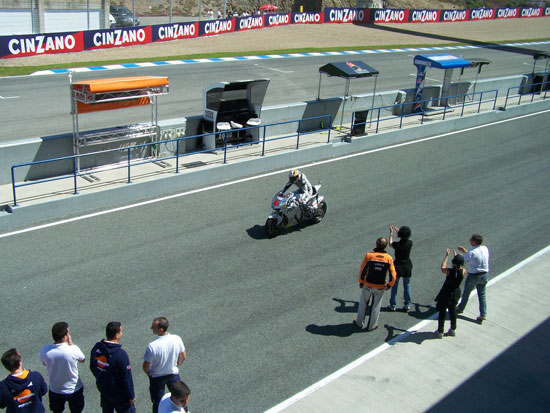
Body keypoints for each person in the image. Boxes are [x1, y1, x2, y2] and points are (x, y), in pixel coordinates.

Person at [39, 322, 86, 413]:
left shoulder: (45, 350)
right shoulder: (73, 349)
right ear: (65, 337)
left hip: (55, 389)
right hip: (74, 389)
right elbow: (82, 360)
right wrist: (71, 344)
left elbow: (44, 363)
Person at [90, 322, 136, 413]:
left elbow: (93, 366)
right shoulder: (121, 354)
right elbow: (126, 377)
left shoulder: (97, 347)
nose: (122, 333)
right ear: (116, 335)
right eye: (121, 331)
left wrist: (101, 379)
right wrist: (131, 395)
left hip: (105, 391)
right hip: (120, 396)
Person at [143, 317, 186, 413]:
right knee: (180, 398)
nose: (151, 328)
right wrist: (176, 365)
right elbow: (183, 356)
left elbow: (145, 366)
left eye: (153, 327)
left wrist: (149, 373)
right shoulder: (177, 339)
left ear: (161, 330)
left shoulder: (152, 346)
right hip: (173, 374)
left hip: (157, 378)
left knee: (158, 403)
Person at [354, 237, 397, 331]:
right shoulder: (388, 258)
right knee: (376, 306)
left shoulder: (369, 256)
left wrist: (361, 282)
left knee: (363, 304)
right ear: (385, 246)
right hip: (380, 286)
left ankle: (359, 323)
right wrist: (390, 284)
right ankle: (372, 326)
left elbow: (362, 269)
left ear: (376, 244)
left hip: (368, 284)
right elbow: (393, 275)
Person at [0, 348, 47, 412]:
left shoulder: (3, 386)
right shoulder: (36, 376)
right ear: (20, 363)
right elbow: (44, 391)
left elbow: (2, 404)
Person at [456, 233, 490, 322]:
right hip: (484, 275)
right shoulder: (485, 248)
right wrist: (465, 251)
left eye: (471, 240)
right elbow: (474, 257)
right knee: (482, 295)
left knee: (466, 292)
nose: (469, 240)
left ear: (474, 242)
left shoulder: (471, 252)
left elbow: (463, 260)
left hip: (474, 276)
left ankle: (461, 307)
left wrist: (458, 255)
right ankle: (483, 314)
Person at [434, 249, 465, 338]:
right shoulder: (463, 271)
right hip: (455, 293)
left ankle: (440, 331)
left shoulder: (449, 271)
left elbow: (443, 268)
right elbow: (458, 267)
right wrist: (456, 257)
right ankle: (453, 329)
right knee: (452, 311)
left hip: (446, 292)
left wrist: (447, 256)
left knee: (442, 312)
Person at [388, 225, 413, 312]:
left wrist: (391, 233)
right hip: (407, 266)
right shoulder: (410, 243)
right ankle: (407, 304)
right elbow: (405, 238)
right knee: (407, 285)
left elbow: (390, 243)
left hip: (398, 266)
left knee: (394, 286)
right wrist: (400, 232)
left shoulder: (397, 244)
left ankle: (393, 305)